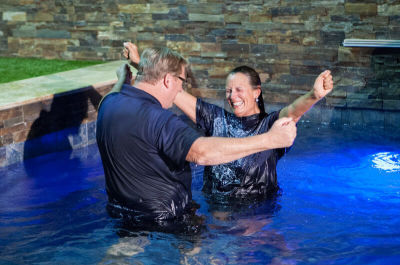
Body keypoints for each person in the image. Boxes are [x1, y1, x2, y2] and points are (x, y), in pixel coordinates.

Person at [96, 46, 297, 222]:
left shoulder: (108, 104)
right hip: (167, 219)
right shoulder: (161, 120)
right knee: (201, 251)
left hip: (121, 211)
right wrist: (269, 139)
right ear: (167, 80)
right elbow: (202, 153)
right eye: (182, 81)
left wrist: (123, 79)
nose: (180, 89)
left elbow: (113, 94)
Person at [121, 42, 334, 200]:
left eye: (239, 90)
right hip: (216, 213)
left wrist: (314, 96)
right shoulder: (215, 118)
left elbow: (293, 112)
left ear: (256, 92)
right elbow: (173, 92)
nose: (232, 96)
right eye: (228, 91)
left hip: (257, 215)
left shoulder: (270, 126)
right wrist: (142, 64)